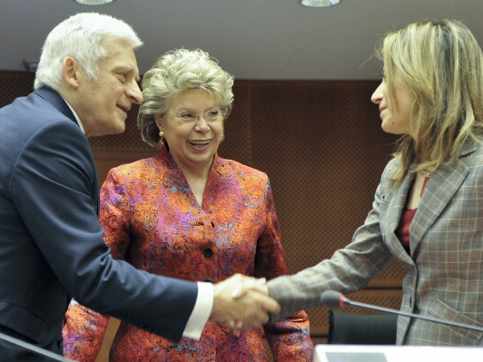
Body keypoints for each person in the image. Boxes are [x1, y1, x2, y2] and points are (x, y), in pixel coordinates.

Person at [0, 13, 279, 360]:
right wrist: (210, 301)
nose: (135, 92)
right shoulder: (55, 138)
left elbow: (279, 297)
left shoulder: (25, 121)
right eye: (123, 76)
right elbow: (92, 278)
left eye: (213, 114)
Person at [62, 48, 313, 361]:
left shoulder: (253, 185)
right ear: (160, 121)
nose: (203, 127)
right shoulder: (128, 184)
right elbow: (95, 291)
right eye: (187, 115)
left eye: (212, 114)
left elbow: (279, 297)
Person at [267, 19, 483, 346]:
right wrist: (265, 296)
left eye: (388, 78)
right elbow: (355, 263)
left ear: (425, 82)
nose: (375, 94)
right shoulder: (398, 172)